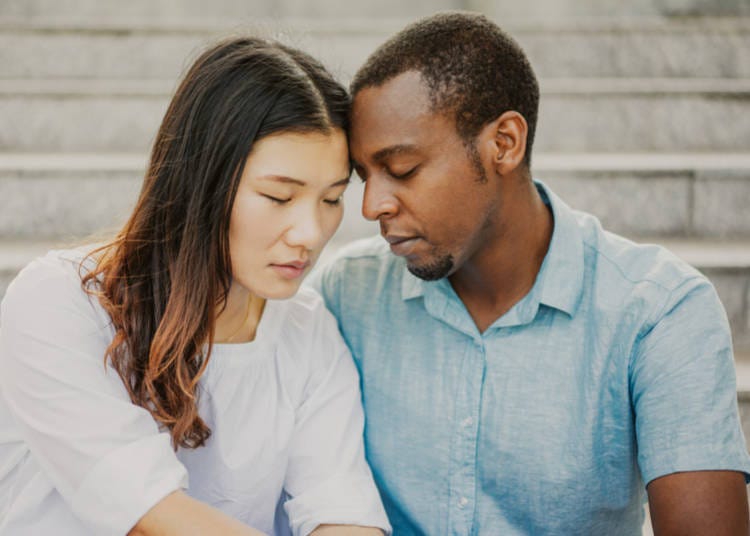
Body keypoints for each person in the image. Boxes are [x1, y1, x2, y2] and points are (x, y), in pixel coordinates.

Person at [313, 12, 750, 535]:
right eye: (365, 177)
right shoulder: (346, 293)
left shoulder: (657, 310)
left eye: (403, 170)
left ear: (504, 144)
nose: (373, 205)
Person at [0, 37, 391, 536]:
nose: (311, 234)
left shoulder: (307, 329)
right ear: (202, 180)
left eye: (332, 199)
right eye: (278, 196)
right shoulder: (58, 302)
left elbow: (341, 505)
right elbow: (148, 512)